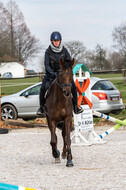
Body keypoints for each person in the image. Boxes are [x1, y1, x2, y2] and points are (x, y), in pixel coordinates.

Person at [37, 31, 83, 115]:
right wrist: (52, 73)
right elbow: (46, 65)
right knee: (43, 88)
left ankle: (76, 107)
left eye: (58, 40)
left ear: (60, 41)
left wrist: (65, 72)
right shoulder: (48, 51)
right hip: (51, 75)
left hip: (63, 75)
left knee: (73, 87)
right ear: (51, 41)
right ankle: (41, 107)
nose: (56, 42)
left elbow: (69, 62)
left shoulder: (64, 50)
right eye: (54, 41)